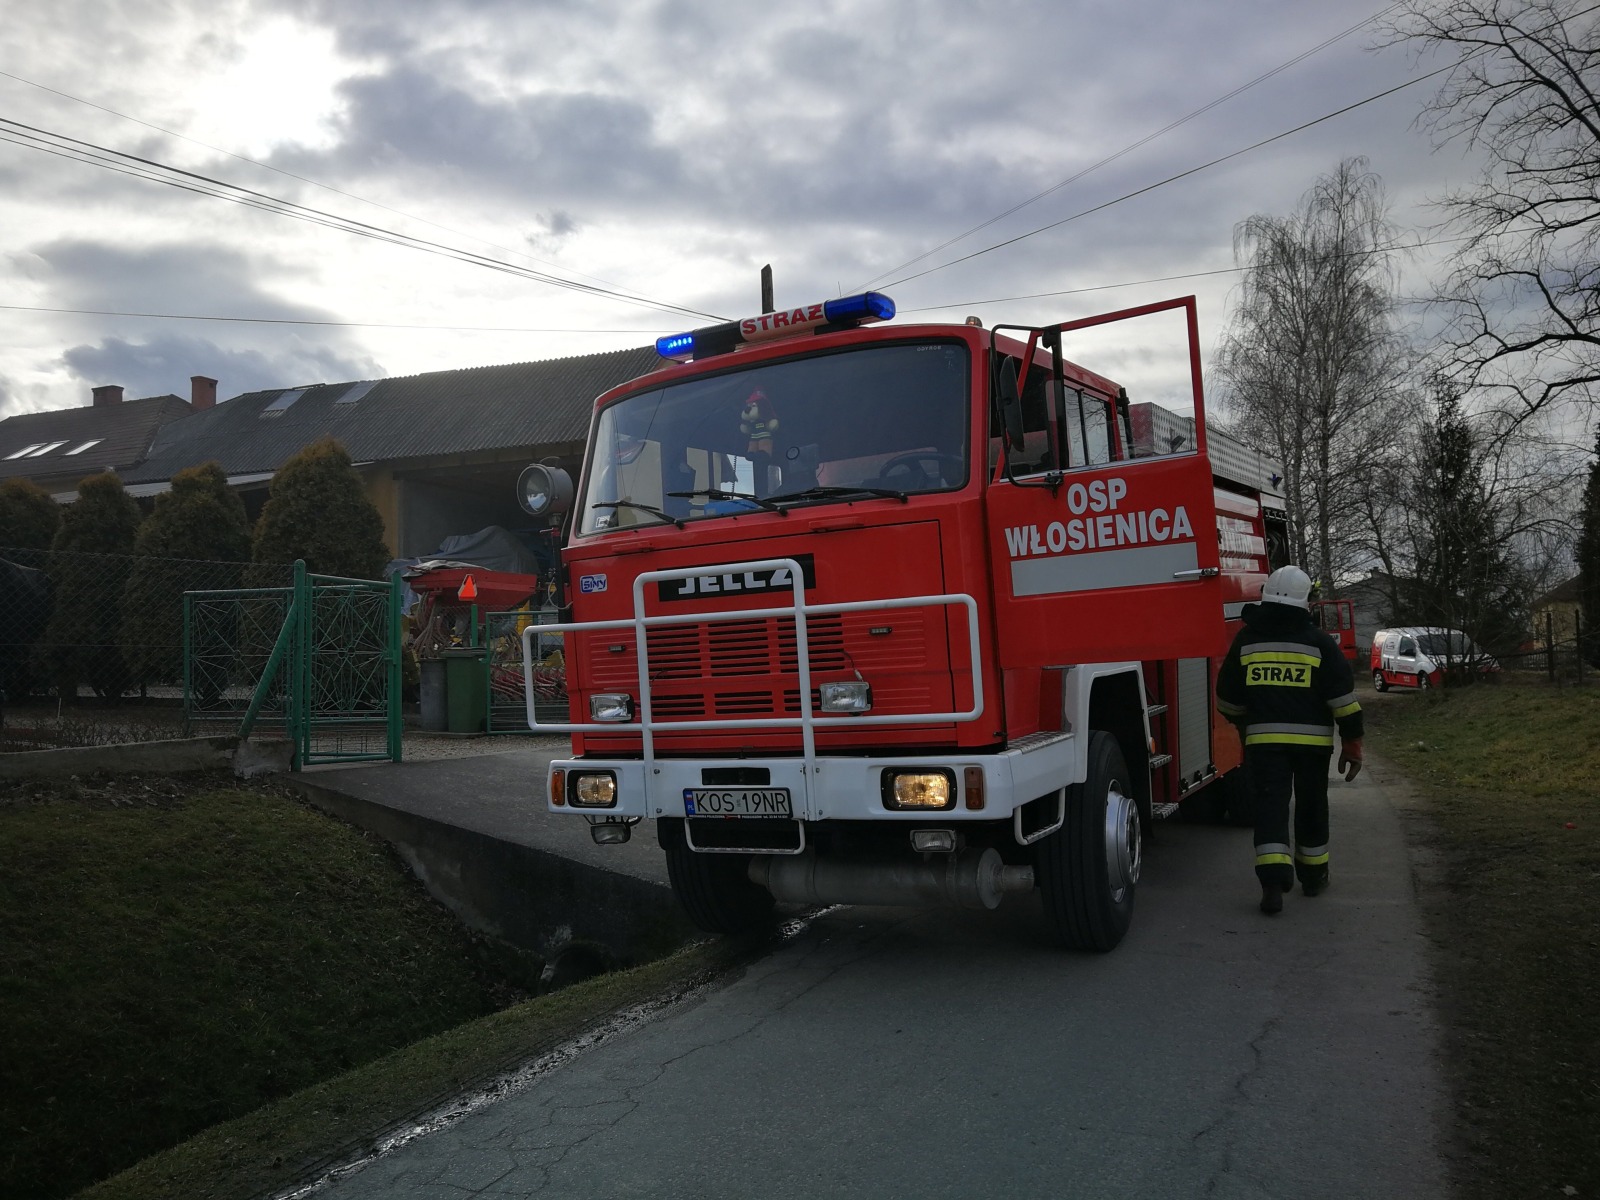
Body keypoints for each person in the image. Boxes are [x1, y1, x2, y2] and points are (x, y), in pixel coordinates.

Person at [1215, 565, 1364, 915]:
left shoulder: (1247, 640)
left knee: (1270, 806)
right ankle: (1313, 878)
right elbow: (1343, 700)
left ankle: (1272, 882)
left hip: (1264, 745)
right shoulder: (1319, 643)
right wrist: (1353, 743)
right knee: (1312, 806)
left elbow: (1225, 697)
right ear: (1305, 604)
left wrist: (1245, 724)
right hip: (1312, 748)